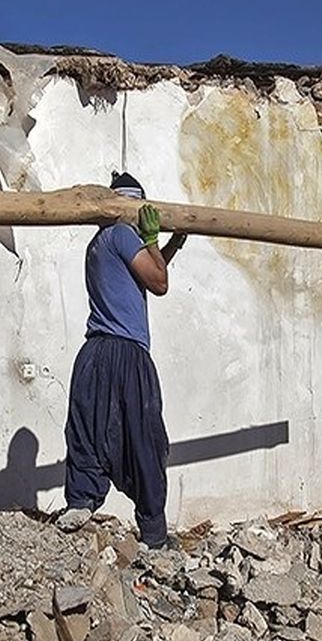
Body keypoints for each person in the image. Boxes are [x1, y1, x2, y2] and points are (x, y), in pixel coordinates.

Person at [56, 171, 186, 548]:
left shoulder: (100, 242)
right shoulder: (124, 233)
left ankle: (80, 502)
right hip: (126, 352)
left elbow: (147, 270)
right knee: (144, 438)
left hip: (96, 352)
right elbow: (159, 283)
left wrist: (169, 245)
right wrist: (151, 237)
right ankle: (154, 534)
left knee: (89, 429)